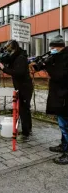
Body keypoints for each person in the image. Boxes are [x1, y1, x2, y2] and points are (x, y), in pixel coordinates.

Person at [31, 35, 68, 165]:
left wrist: (47, 65)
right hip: (60, 95)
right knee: (63, 125)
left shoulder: (65, 58)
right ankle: (64, 146)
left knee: (65, 126)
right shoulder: (58, 56)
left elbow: (60, 75)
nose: (51, 49)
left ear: (60, 46)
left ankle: (67, 153)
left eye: (53, 47)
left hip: (65, 97)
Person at [0, 40, 33, 142]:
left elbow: (18, 73)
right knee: (25, 109)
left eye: (8, 49)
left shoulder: (21, 58)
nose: (7, 52)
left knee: (23, 110)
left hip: (24, 87)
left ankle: (26, 134)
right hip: (21, 86)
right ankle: (28, 129)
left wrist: (3, 68)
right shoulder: (16, 56)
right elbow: (10, 63)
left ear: (13, 48)